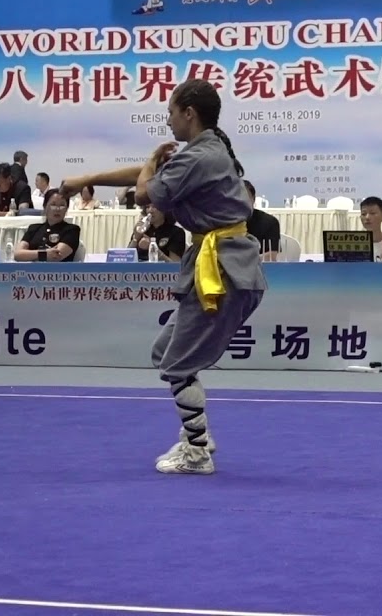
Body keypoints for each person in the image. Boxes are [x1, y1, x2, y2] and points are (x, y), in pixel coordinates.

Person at [62, 78, 267, 475]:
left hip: (222, 271)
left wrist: (154, 162)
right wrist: (86, 180)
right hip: (217, 265)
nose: (168, 121)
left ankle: (197, 452)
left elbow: (144, 192)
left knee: (175, 364)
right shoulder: (205, 151)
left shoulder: (202, 156)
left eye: (170, 112)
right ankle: (198, 437)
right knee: (165, 351)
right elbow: (146, 174)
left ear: (188, 113)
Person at [14, 189, 81, 262]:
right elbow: (18, 254)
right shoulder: (33, 228)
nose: (57, 209)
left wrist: (29, 255)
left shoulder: (72, 230)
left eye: (62, 205)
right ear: (45, 206)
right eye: (53, 204)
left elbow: (56, 256)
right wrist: (45, 253)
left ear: (67, 208)